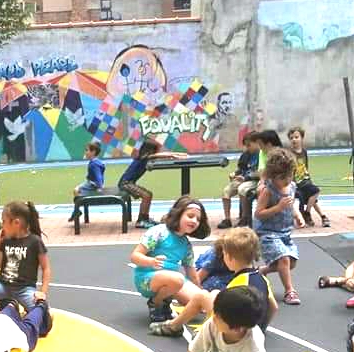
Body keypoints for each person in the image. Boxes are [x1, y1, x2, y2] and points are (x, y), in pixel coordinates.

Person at [152, 226, 277, 336]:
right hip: (250, 329)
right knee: (215, 293)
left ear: (229, 257)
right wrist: (261, 329)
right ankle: (175, 325)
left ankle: (174, 326)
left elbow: (221, 314)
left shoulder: (237, 285)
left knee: (202, 296)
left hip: (234, 333)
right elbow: (273, 307)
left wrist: (204, 332)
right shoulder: (262, 279)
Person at [130, 196, 211, 325]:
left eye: (198, 219)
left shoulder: (186, 244)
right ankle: (156, 303)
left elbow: (192, 273)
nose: (194, 221)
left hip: (173, 281)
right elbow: (135, 256)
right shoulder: (159, 232)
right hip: (147, 278)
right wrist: (151, 262)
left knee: (198, 302)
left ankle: (166, 298)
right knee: (177, 279)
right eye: (190, 216)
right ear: (178, 214)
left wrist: (201, 295)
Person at [0, 200, 51, 313]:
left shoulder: (35, 241)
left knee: (46, 313)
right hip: (2, 286)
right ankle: (7, 304)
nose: (2, 225)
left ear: (16, 223)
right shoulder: (5, 240)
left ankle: (17, 307)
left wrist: (42, 292)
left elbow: (46, 268)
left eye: (4, 221)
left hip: (24, 289)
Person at [254, 148, 304, 305]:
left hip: (285, 232)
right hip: (267, 232)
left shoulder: (292, 186)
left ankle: (262, 270)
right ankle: (290, 291)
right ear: (272, 176)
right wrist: (277, 208)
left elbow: (291, 204)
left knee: (291, 262)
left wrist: (298, 215)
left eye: (290, 175)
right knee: (283, 258)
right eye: (282, 177)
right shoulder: (268, 191)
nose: (287, 180)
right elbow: (259, 213)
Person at [287, 127, 330, 227]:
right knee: (316, 191)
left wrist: (308, 177)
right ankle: (308, 213)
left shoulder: (304, 152)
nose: (294, 139)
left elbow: (305, 166)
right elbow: (289, 170)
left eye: (296, 137)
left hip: (305, 180)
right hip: (296, 183)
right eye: (291, 138)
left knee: (313, 199)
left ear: (302, 138)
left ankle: (321, 216)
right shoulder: (289, 153)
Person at [218, 134, 258, 229]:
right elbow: (241, 168)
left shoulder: (261, 155)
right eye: (246, 145)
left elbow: (260, 173)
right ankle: (227, 219)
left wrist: (246, 178)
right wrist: (234, 173)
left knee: (242, 189)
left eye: (249, 145)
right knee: (226, 191)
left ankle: (244, 218)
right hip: (242, 179)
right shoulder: (246, 155)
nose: (247, 147)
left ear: (257, 143)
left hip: (254, 180)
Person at [119, 140, 160, 229]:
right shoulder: (143, 157)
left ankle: (145, 218)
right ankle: (140, 221)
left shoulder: (144, 158)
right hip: (125, 183)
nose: (157, 152)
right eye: (155, 150)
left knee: (148, 194)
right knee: (146, 195)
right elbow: (158, 156)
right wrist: (174, 155)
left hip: (129, 183)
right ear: (150, 150)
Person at [69, 143, 105, 222]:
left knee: (76, 190)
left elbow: (98, 176)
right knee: (77, 190)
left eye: (87, 150)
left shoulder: (94, 164)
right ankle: (77, 210)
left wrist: (100, 187)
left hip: (92, 185)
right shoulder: (96, 162)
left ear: (93, 152)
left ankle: (76, 210)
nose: (85, 152)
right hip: (90, 183)